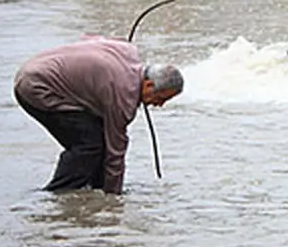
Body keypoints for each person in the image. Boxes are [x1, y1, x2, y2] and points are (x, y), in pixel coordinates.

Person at [13, 36, 183, 195]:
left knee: (96, 135)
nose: (159, 105)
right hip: (36, 88)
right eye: (160, 98)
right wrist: (113, 198)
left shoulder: (128, 51)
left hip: (35, 68)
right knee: (89, 145)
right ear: (148, 84)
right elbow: (115, 152)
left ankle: (91, 187)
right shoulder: (124, 96)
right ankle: (59, 194)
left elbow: (89, 37)